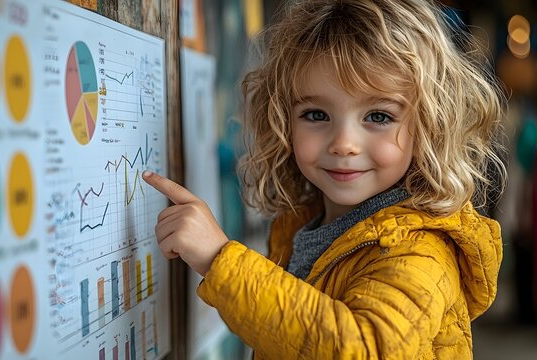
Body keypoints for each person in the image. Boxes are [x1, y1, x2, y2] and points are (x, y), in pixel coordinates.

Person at [142, 0, 507, 358]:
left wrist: (219, 261)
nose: (344, 144)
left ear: (429, 126)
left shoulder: (420, 248)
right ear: (283, 120)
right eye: (316, 114)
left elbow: (364, 349)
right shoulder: (305, 224)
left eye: (378, 117)